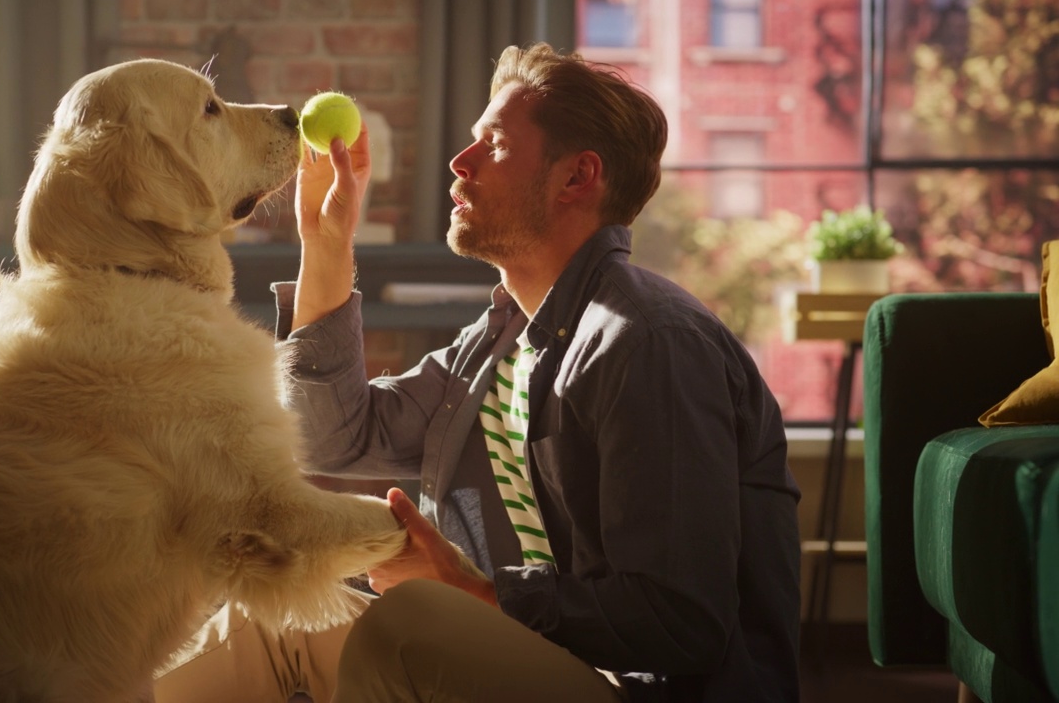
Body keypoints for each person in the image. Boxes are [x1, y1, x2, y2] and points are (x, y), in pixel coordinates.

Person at [155, 42, 802, 703]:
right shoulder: (506, 341)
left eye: (492, 145)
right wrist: (326, 243)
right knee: (269, 619)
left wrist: (478, 593)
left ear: (577, 178)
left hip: (637, 691)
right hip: (539, 659)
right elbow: (330, 438)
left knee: (411, 624)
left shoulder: (647, 343)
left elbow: (679, 620)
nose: (458, 163)